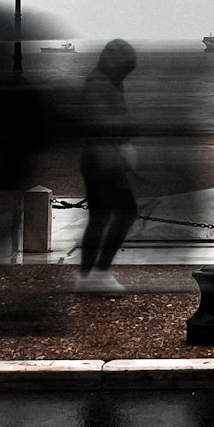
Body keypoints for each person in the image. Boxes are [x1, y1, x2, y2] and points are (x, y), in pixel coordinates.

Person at [75, 39, 139, 294]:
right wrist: (124, 137)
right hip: (104, 160)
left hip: (97, 158)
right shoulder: (101, 85)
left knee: (99, 217)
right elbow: (102, 124)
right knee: (126, 213)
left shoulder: (102, 81)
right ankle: (99, 272)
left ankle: (88, 275)